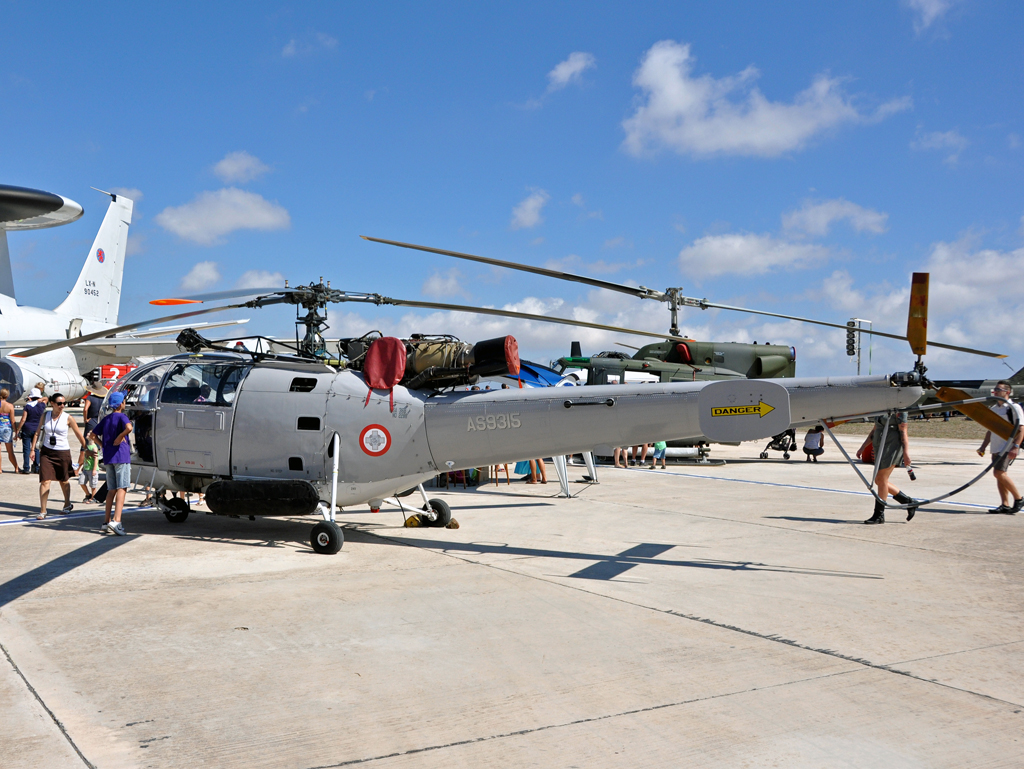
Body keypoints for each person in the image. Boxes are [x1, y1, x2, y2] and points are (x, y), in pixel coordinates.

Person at [857, 410, 920, 524]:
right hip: (880, 448)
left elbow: (903, 432)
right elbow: (875, 430)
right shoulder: (882, 408)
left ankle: (879, 514)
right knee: (879, 480)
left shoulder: (900, 410)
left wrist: (906, 454)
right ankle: (908, 501)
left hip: (892, 448)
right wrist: (863, 447)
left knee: (881, 479)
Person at [30, 393, 87, 519]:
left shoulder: (68, 417)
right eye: (60, 403)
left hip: (62, 452)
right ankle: (43, 510)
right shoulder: (45, 415)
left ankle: (67, 504)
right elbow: (37, 432)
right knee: (45, 480)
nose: (62, 406)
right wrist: (33, 449)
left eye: (64, 403)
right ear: (53, 404)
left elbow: (78, 434)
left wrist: (86, 448)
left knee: (63, 480)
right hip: (46, 452)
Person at [977, 381, 1024, 514]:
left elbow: (1021, 428)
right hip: (996, 446)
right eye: (995, 389)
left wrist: (1016, 446)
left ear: (1007, 392)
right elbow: (990, 430)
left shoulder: (1014, 407)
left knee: (998, 473)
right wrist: (983, 446)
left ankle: (1019, 498)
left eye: (998, 389)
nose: (995, 392)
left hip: (1007, 446)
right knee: (1000, 475)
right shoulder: (994, 409)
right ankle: (1005, 504)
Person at [93, 391, 133, 535]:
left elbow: (92, 435)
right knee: (122, 488)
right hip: (121, 456)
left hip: (109, 457)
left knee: (111, 489)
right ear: (122, 403)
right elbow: (129, 428)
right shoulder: (122, 416)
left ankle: (106, 521)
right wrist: (120, 436)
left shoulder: (107, 418)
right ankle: (117, 521)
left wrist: (102, 445)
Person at [15, 387, 48, 473]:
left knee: (26, 449)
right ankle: (36, 467)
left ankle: (26, 468)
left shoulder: (28, 406)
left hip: (27, 428)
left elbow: (23, 419)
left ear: (31, 396)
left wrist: (18, 430)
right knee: (36, 448)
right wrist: (38, 400)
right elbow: (46, 398)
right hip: (37, 429)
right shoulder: (42, 405)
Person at [78, 432, 101, 503]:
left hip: (92, 469)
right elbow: (86, 458)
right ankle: (88, 494)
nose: (87, 434)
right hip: (86, 468)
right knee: (81, 482)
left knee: (93, 485)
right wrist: (83, 466)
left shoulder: (94, 448)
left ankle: (93, 498)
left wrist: (94, 469)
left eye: (89, 434)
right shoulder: (87, 446)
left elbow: (96, 459)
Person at [0, 388, 19, 473]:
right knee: (10, 451)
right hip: (7, 428)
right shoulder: (10, 406)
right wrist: (16, 431)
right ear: (7, 396)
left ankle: (0, 468)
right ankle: (16, 467)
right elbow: (13, 420)